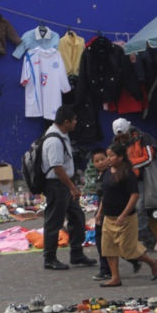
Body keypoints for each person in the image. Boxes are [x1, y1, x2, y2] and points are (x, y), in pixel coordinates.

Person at [41, 104, 97, 271]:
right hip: (57, 185)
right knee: (54, 221)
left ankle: (77, 254)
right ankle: (49, 258)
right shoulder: (54, 140)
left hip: (64, 185)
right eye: (74, 121)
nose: (76, 123)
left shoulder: (62, 135)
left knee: (77, 217)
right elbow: (57, 168)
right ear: (66, 122)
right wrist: (72, 186)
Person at [98, 143, 157, 287]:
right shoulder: (108, 172)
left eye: (111, 156)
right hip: (109, 217)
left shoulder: (128, 173)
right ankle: (115, 278)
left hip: (125, 219)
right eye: (108, 156)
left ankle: (153, 263)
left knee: (128, 250)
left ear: (120, 157)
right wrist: (99, 212)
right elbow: (105, 194)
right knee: (108, 248)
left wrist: (123, 215)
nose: (109, 159)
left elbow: (134, 195)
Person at [112, 117, 157, 248]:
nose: (123, 139)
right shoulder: (116, 143)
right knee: (124, 206)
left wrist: (130, 165)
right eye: (120, 137)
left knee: (139, 206)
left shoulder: (142, 138)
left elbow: (149, 157)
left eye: (124, 136)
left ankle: (142, 235)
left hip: (139, 179)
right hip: (123, 179)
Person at [84, 148, 113, 281]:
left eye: (102, 159)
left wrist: (99, 213)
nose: (100, 162)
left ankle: (106, 270)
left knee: (103, 241)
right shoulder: (99, 174)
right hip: (103, 209)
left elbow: (106, 196)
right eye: (97, 161)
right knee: (105, 241)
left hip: (107, 211)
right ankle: (106, 269)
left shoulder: (109, 174)